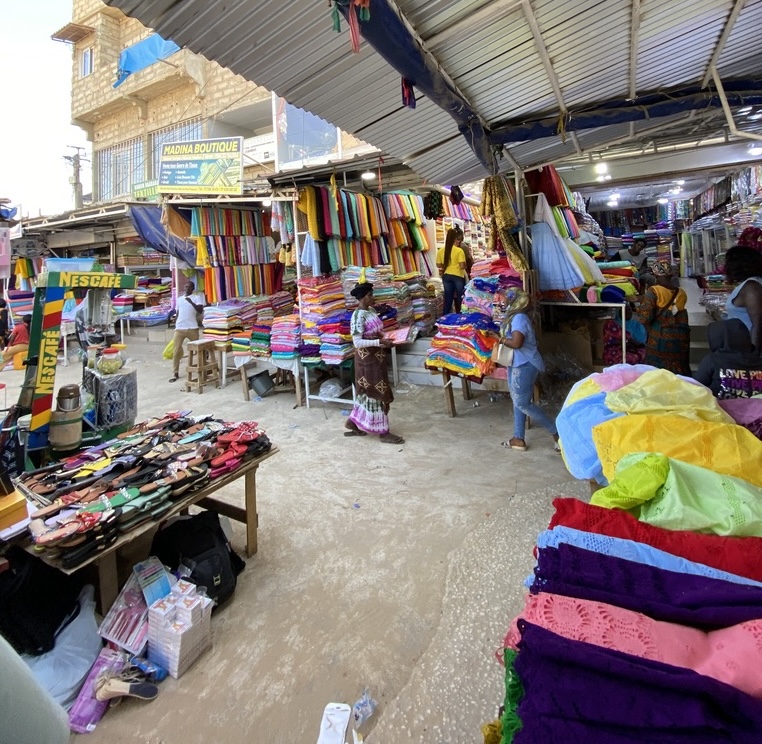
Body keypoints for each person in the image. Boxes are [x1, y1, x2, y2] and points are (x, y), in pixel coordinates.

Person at [496, 289, 559, 452]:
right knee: (518, 402)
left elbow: (517, 343)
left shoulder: (519, 318)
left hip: (525, 364)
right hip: (517, 363)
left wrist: (499, 339)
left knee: (523, 403)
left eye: (509, 299)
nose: (505, 301)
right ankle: (518, 438)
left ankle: (556, 432)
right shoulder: (516, 316)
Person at [344, 282, 404, 444]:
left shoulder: (370, 311)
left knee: (367, 393)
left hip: (376, 358)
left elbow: (377, 330)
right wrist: (380, 342)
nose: (373, 297)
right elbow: (357, 343)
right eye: (370, 295)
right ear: (362, 298)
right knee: (376, 392)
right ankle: (383, 432)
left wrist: (389, 336)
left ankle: (352, 422)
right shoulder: (357, 316)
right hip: (366, 361)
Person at [635, 260, 690, 375]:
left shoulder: (654, 291)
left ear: (655, 275)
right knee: (678, 372)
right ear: (671, 275)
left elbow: (645, 317)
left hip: (659, 339)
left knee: (657, 373)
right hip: (680, 340)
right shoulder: (682, 293)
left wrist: (639, 307)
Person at [695, 319, 762, 398]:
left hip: (720, 409)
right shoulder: (759, 360)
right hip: (756, 409)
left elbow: (695, 388)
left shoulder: (713, 360)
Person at [724, 245, 762, 354]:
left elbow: (758, 325)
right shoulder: (750, 284)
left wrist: (752, 356)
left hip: (747, 351)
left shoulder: (751, 287)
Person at [169, 281, 206, 383]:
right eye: (185, 287)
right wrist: (176, 323)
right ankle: (175, 373)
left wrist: (191, 302)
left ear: (192, 288)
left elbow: (199, 310)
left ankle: (203, 369)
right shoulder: (179, 299)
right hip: (180, 328)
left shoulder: (196, 297)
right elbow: (178, 312)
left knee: (198, 350)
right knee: (176, 351)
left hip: (192, 328)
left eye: (189, 287)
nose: (186, 288)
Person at [436, 226, 467, 314]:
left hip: (446, 276)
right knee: (460, 298)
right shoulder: (459, 251)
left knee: (448, 299)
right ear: (454, 238)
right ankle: (462, 318)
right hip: (458, 276)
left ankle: (444, 318)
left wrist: (447, 265)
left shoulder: (441, 250)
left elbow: (438, 265)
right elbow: (462, 266)